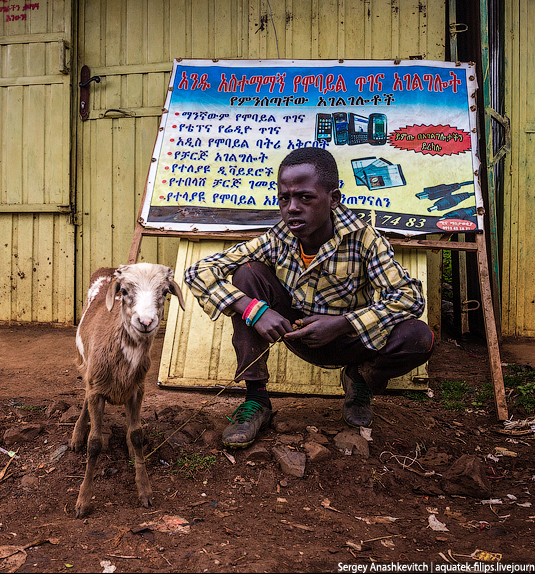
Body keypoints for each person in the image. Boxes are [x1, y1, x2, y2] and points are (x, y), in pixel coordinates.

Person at [184, 147, 434, 449]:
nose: (292, 208)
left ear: (334, 199)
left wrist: (342, 323)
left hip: (352, 342)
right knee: (247, 274)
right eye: (284, 198)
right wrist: (254, 310)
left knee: (419, 337)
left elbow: (410, 297)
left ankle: (360, 380)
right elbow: (199, 271)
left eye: (305, 197)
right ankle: (257, 401)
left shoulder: (366, 241)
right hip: (296, 332)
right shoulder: (278, 238)